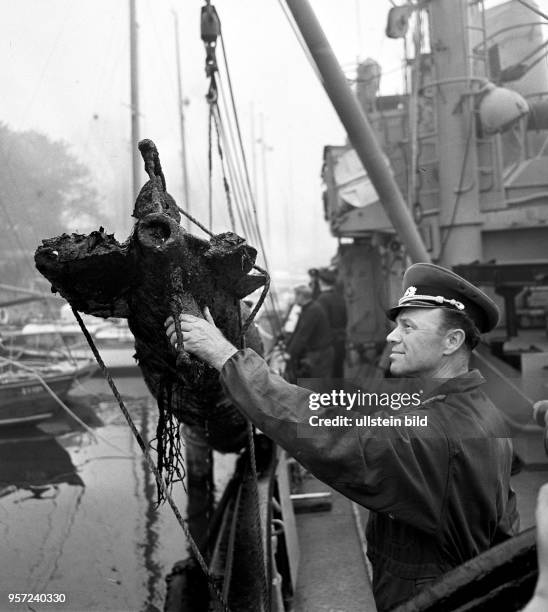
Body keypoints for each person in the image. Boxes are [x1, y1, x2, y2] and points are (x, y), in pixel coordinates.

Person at [165, 263, 519, 611]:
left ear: (452, 341)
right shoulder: (478, 410)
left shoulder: (436, 433)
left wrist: (226, 357)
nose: (392, 336)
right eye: (397, 325)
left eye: (408, 328)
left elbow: (336, 435)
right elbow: (506, 518)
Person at [284, 284, 333, 380]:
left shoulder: (312, 311)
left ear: (301, 296)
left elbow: (302, 335)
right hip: (320, 352)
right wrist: (288, 349)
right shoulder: (309, 308)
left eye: (296, 296)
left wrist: (290, 354)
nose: (295, 298)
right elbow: (297, 331)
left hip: (320, 354)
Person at [314, 267, 347, 378]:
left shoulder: (322, 299)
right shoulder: (340, 297)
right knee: (339, 372)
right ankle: (338, 395)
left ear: (320, 282)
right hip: (341, 340)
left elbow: (320, 324)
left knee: (328, 374)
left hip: (329, 343)